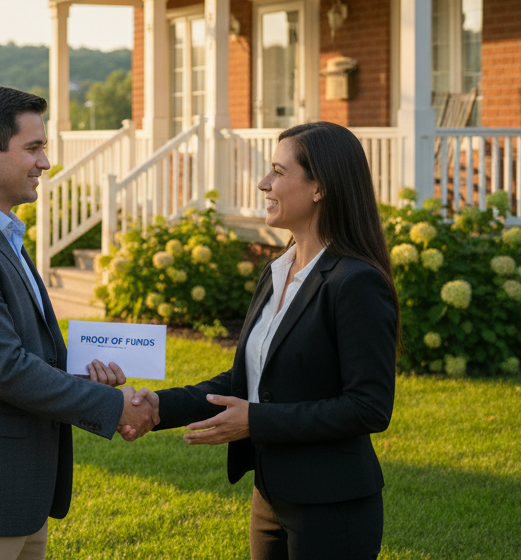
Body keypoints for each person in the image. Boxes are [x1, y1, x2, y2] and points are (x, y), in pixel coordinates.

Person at [123, 121, 398, 560]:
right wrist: (159, 408)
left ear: (319, 188)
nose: (263, 183)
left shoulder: (355, 282)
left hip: (333, 505)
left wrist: (257, 421)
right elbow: (245, 380)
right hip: (269, 497)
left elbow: (369, 406)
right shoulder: (276, 272)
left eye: (278, 172)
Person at [0, 85, 159, 560]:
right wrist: (111, 405)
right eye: (34, 148)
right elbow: (6, 370)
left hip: (21, 498)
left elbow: (28, 353)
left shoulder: (2, 233)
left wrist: (82, 374)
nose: (45, 162)